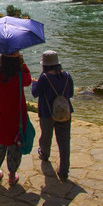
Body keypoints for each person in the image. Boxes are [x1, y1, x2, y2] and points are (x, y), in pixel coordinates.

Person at [32, 50, 74, 182]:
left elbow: (35, 93)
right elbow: (71, 94)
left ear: (44, 65)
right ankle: (64, 170)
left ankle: (45, 155)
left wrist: (35, 82)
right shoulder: (67, 76)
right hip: (65, 113)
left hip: (47, 113)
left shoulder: (44, 77)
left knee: (46, 136)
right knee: (64, 141)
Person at [0, 51, 32, 186]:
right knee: (15, 146)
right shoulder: (20, 76)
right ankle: (12, 175)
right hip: (16, 116)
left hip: (1, 115)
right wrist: (23, 63)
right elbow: (28, 80)